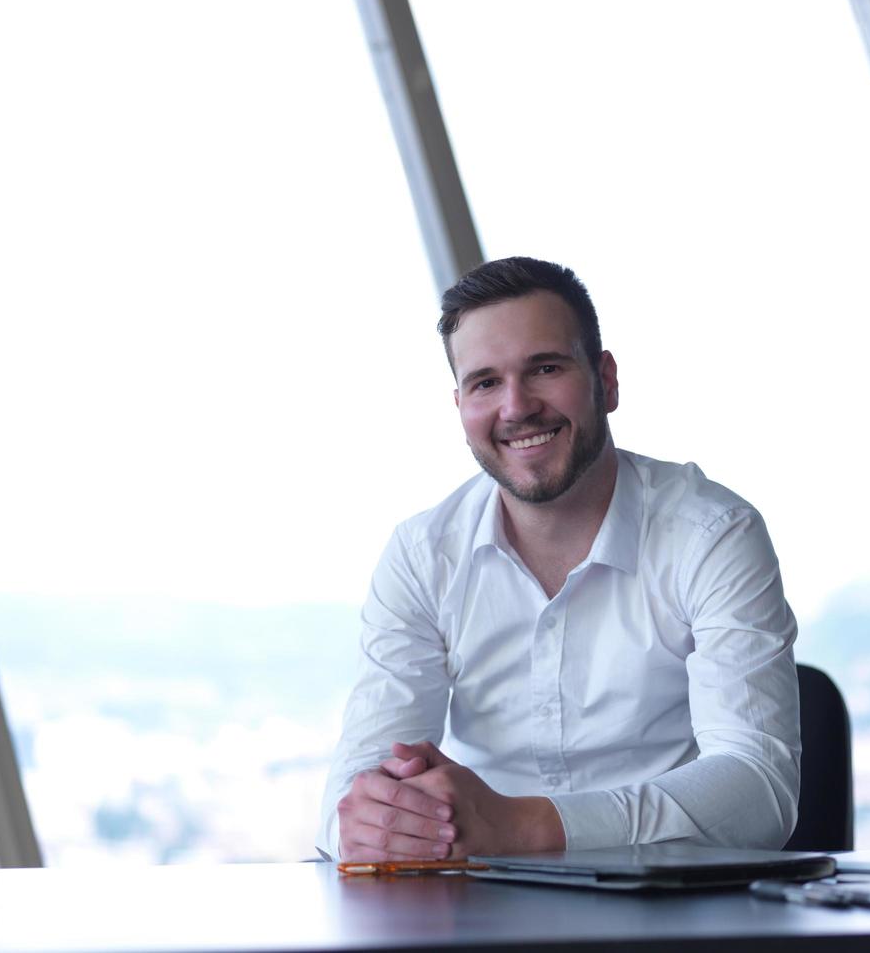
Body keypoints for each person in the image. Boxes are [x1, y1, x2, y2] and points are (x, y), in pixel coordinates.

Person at [320, 257, 800, 861]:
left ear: (607, 380)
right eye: (485, 382)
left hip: (673, 910)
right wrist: (370, 825)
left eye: (545, 368)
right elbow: (356, 783)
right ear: (461, 405)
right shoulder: (422, 555)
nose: (516, 407)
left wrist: (521, 828)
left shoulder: (711, 534)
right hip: (481, 913)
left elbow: (759, 789)